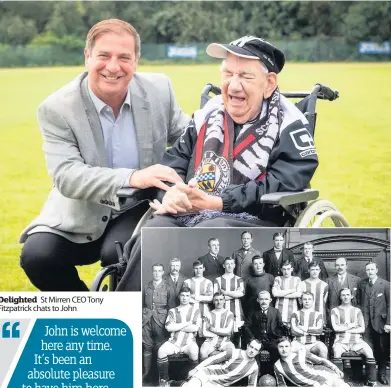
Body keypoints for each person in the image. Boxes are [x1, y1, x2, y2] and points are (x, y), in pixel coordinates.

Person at [117, 35, 318, 290]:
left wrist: (219, 202)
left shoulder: (290, 123)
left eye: (245, 76)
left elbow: (285, 180)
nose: (233, 86)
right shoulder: (208, 115)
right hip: (191, 212)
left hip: (255, 218)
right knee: (154, 231)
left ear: (269, 83)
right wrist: (172, 193)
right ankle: (126, 319)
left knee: (210, 230)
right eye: (227, 74)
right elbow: (175, 162)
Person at [19, 18, 189, 291]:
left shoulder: (159, 90)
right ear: (87, 56)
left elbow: (189, 141)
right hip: (80, 211)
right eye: (103, 56)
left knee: (119, 253)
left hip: (139, 207)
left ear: (136, 60)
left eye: (124, 57)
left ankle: (124, 322)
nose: (113, 66)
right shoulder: (56, 108)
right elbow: (67, 176)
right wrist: (133, 177)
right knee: (38, 256)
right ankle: (91, 321)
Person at [330, 288, 377, 387]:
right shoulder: (335, 310)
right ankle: (339, 382)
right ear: (340, 297)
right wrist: (351, 325)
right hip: (341, 341)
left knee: (369, 351)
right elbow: (336, 328)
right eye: (343, 295)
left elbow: (362, 328)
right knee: (337, 352)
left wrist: (346, 328)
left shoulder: (357, 311)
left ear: (352, 296)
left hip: (357, 341)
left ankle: (371, 382)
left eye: (347, 295)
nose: (345, 297)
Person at [157, 286, 201, 386]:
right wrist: (187, 323)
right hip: (174, 341)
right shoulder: (173, 311)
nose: (185, 298)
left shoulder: (195, 310)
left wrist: (176, 326)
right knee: (161, 351)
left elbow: (195, 328)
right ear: (179, 296)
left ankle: (189, 379)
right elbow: (168, 328)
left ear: (190, 297)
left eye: (187, 296)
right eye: (182, 295)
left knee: (194, 352)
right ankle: (164, 381)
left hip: (189, 342)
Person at [357, 262, 390, 385]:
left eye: (372, 269)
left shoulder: (386, 285)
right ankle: (370, 376)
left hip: (381, 324)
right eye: (367, 269)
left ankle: (381, 374)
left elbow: (390, 305)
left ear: (376, 270)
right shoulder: (362, 284)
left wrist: (389, 323)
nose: (370, 272)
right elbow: (359, 302)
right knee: (368, 350)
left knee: (382, 350)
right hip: (365, 324)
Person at [142, 264, 176, 385]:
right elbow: (142, 304)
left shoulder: (168, 287)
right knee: (147, 348)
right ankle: (146, 377)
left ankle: (160, 377)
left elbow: (172, 308)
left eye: (159, 271)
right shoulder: (146, 286)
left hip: (161, 320)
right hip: (146, 320)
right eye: (154, 271)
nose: (156, 273)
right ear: (152, 272)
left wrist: (168, 321)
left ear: (162, 272)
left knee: (160, 347)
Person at [179, 339, 262, 387]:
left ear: (258, 352)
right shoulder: (233, 352)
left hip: (218, 385)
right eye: (251, 347)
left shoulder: (254, 368)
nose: (252, 351)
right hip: (207, 373)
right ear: (247, 346)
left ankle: (179, 384)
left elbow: (252, 385)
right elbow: (213, 359)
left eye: (256, 349)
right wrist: (196, 369)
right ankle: (175, 384)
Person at [274, 337, 349, 387]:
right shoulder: (277, 366)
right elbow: (281, 384)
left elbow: (321, 361)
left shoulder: (301, 353)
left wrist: (335, 368)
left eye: (286, 346)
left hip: (326, 375)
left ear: (290, 347)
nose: (284, 349)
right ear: (277, 348)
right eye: (281, 347)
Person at [244, 290, 284, 363]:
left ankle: (274, 371)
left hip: (272, 340)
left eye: (266, 299)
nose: (264, 301)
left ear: (270, 300)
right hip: (257, 339)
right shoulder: (253, 312)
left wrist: (278, 338)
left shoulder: (276, 312)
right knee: (254, 354)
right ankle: (257, 371)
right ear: (258, 300)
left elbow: (280, 326)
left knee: (277, 352)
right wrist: (252, 339)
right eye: (261, 299)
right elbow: (247, 326)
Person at [213, 257, 244, 347]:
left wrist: (225, 293)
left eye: (231, 263)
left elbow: (241, 294)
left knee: (237, 336)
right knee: (223, 334)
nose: (229, 266)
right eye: (227, 264)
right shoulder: (217, 280)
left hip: (237, 311)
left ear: (234, 265)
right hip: (222, 310)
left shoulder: (239, 279)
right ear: (223, 265)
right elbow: (216, 298)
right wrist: (234, 293)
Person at [290, 291, 328, 359]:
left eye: (309, 299)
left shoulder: (318, 314)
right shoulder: (295, 314)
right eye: (305, 299)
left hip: (313, 343)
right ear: (301, 301)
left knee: (323, 348)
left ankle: (322, 368)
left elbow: (319, 330)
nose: (307, 301)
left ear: (313, 301)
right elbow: (293, 331)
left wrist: (304, 329)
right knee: (291, 349)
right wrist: (311, 331)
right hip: (298, 342)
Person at [200, 292, 235, 361]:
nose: (219, 302)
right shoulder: (208, 314)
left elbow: (228, 332)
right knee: (203, 352)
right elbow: (204, 333)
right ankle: (205, 371)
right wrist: (221, 333)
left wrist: (211, 329)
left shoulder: (229, 314)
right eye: (216, 300)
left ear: (224, 301)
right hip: (210, 342)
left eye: (221, 299)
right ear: (213, 301)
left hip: (225, 341)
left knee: (232, 352)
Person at [184, 261, 213, 331]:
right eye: (196, 268)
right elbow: (185, 298)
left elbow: (210, 298)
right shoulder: (187, 282)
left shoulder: (208, 282)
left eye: (200, 268)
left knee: (203, 332)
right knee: (190, 332)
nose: (198, 270)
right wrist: (203, 297)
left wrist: (194, 297)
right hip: (190, 311)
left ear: (204, 269)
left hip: (204, 311)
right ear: (193, 269)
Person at [272, 260, 302, 326]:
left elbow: (299, 294)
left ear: (292, 269)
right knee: (279, 327)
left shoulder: (297, 279)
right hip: (279, 307)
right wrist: (292, 290)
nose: (286, 272)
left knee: (292, 328)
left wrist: (282, 294)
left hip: (292, 308)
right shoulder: (278, 278)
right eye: (284, 269)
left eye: (288, 269)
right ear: (281, 269)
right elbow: (275, 294)